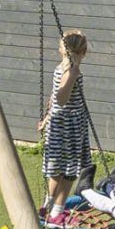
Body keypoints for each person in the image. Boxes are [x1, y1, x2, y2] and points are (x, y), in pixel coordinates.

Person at [40, 29, 94, 209]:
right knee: (70, 168)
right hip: (69, 125)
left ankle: (48, 203)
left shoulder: (60, 68)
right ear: (83, 52)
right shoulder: (72, 71)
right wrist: (71, 76)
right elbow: (60, 98)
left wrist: (47, 116)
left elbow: (54, 96)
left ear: (61, 49)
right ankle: (56, 209)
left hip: (58, 122)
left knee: (56, 167)